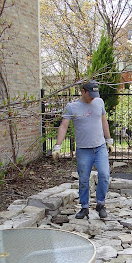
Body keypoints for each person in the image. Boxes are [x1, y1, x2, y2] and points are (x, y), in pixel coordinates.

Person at [52, 80, 113, 219]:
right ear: (83, 91)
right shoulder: (72, 107)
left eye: (95, 94)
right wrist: (57, 146)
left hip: (100, 147)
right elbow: (63, 126)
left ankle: (100, 204)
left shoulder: (99, 102)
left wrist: (109, 140)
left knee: (104, 175)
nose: (93, 97)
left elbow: (104, 121)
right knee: (84, 179)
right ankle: (84, 207)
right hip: (83, 150)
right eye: (90, 94)